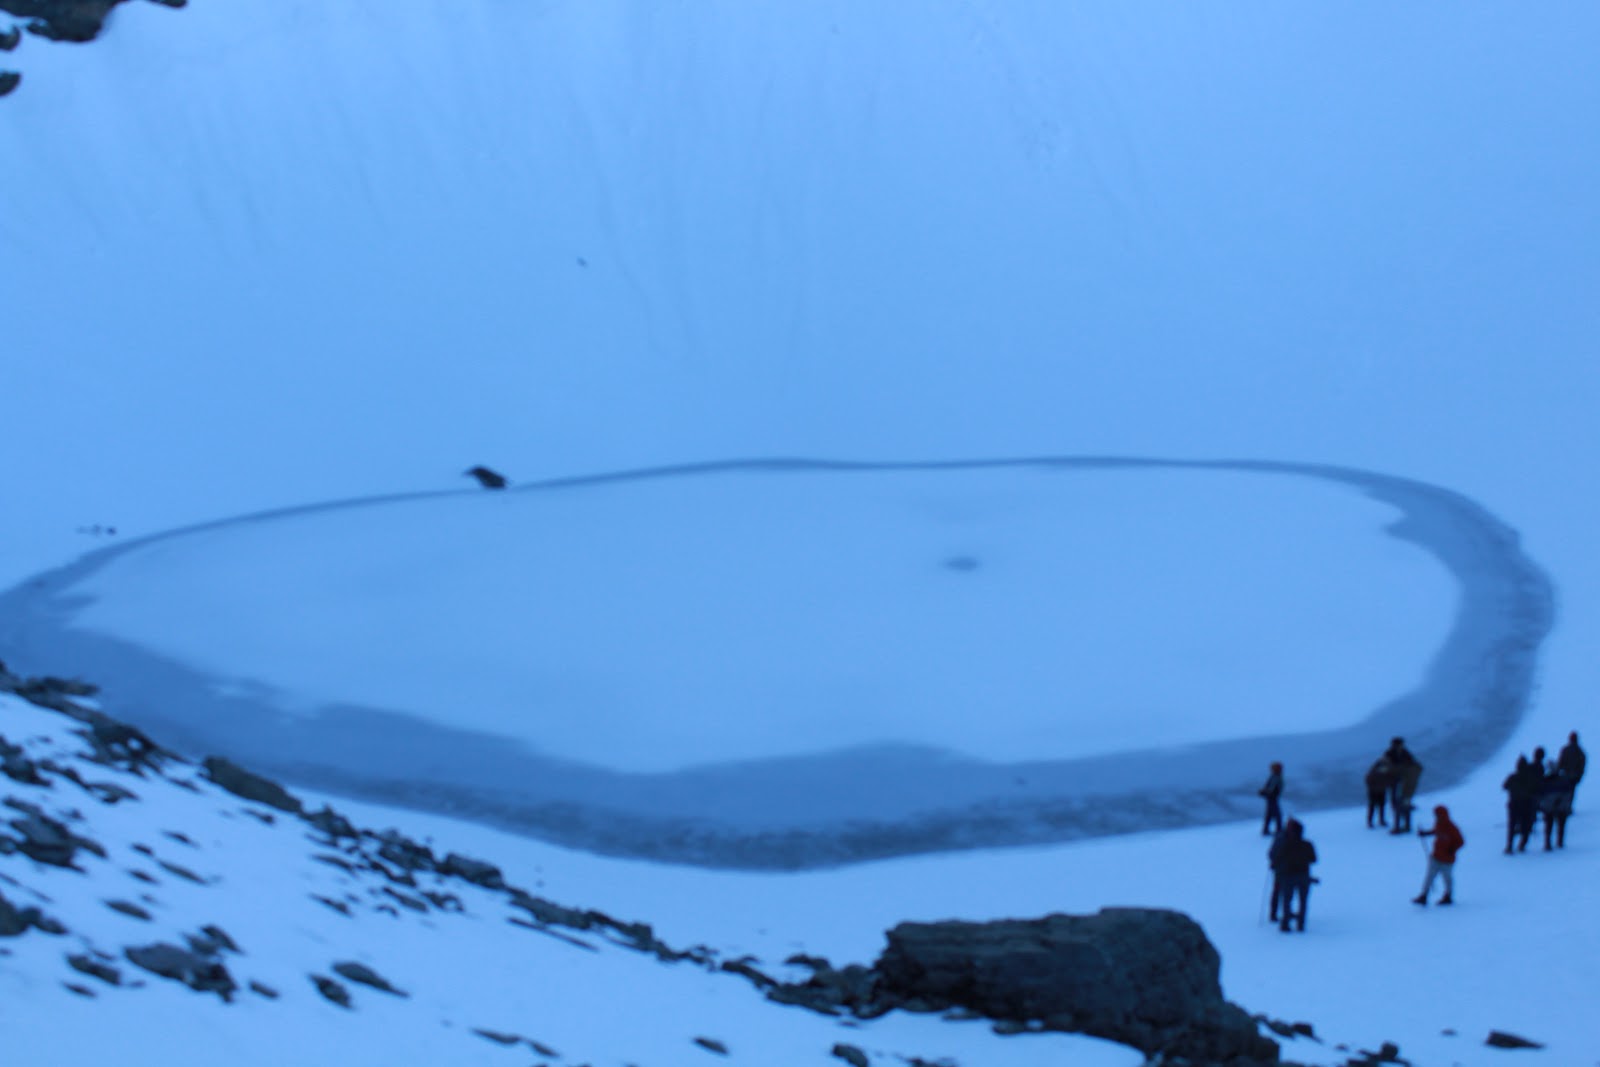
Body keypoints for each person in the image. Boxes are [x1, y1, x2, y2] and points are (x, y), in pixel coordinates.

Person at [1268, 818, 1317, 932]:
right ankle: (1300, 924)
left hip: (1287, 875)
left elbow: (1275, 856)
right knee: (1302, 901)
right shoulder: (1307, 844)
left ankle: (1284, 923)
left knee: (1286, 899)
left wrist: (1274, 865)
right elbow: (1313, 859)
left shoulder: (1284, 843)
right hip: (1303, 875)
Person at [1414, 805, 1465, 906]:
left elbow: (1461, 841)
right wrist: (1425, 833)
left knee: (1447, 878)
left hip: (1447, 860)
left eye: (1437, 815)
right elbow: (1435, 831)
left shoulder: (1452, 828)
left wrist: (1452, 849)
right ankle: (1424, 896)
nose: (1436, 817)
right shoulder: (1438, 824)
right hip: (1436, 857)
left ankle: (1448, 896)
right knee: (1429, 877)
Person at [1503, 755, 1542, 853]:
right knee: (1527, 825)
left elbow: (1504, 786)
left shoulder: (1512, 777)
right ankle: (1522, 844)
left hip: (1514, 805)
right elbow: (1537, 789)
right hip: (1527, 805)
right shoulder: (1531, 778)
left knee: (1512, 826)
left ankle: (1509, 846)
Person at [1384, 738, 1423, 834]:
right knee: (1397, 804)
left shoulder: (1405, 753)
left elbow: (1413, 764)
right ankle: (1400, 825)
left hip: (1404, 783)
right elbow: (1388, 767)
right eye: (1400, 744)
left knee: (1405, 803)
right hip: (1395, 782)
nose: (1401, 746)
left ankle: (1405, 826)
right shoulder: (1389, 754)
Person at [1540, 769, 1576, 850]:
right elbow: (1569, 794)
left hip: (1550, 807)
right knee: (1560, 825)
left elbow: (1541, 794)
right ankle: (1558, 842)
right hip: (1560, 807)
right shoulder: (1563, 780)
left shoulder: (1546, 780)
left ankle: (1548, 843)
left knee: (1549, 826)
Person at [1558, 732, 1586, 809]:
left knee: (1565, 792)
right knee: (1571, 792)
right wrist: (1580, 775)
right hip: (1574, 776)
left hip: (1565, 775)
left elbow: (1560, 763)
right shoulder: (1580, 751)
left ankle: (1565, 807)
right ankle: (1568, 807)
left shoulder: (1565, 750)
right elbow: (1582, 765)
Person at [1364, 757, 1394, 828]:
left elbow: (1389, 780)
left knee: (1382, 806)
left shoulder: (1386, 770)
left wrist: (1388, 785)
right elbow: (1368, 780)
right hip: (1373, 791)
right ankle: (1370, 822)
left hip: (1382, 791)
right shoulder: (1373, 771)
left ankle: (1381, 820)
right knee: (1372, 806)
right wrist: (1373, 787)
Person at [1259, 762, 1284, 836]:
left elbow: (1270, 788)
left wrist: (1264, 792)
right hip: (1272, 797)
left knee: (1269, 814)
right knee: (1276, 814)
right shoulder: (1276, 777)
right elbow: (1271, 788)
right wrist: (1264, 792)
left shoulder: (1275, 776)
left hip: (1271, 797)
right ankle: (1278, 830)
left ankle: (1266, 830)